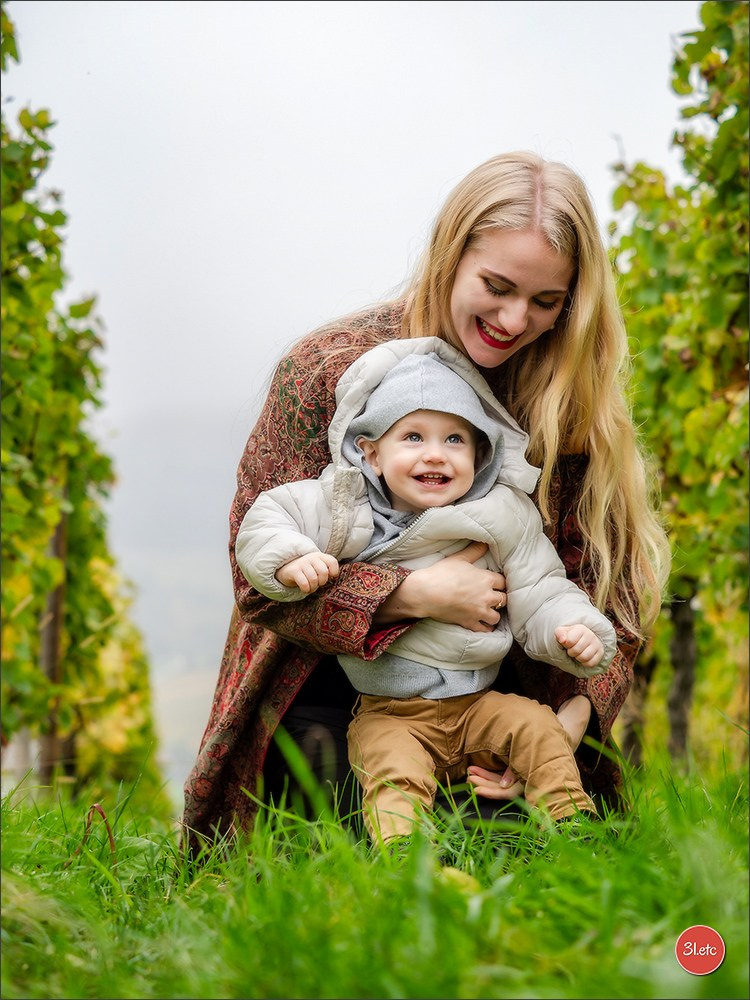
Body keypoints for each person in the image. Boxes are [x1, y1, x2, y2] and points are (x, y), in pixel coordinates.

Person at [182, 151, 670, 853]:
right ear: (451, 254)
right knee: (339, 865)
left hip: (500, 706)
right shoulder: (327, 367)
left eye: (544, 301)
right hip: (324, 693)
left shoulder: (572, 397)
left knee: (516, 879)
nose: (512, 319)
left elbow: (610, 593)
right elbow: (257, 582)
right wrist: (410, 595)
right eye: (496, 286)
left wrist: (569, 720)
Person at [235, 341, 618, 843]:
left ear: (480, 453)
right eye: (412, 437)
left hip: (480, 701)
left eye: (455, 439)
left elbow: (542, 589)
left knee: (536, 727)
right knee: (390, 770)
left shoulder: (502, 513)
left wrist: (573, 630)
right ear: (371, 453)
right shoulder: (345, 504)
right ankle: (406, 857)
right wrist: (290, 558)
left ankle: (573, 823)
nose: (435, 453)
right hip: (388, 709)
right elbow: (267, 518)